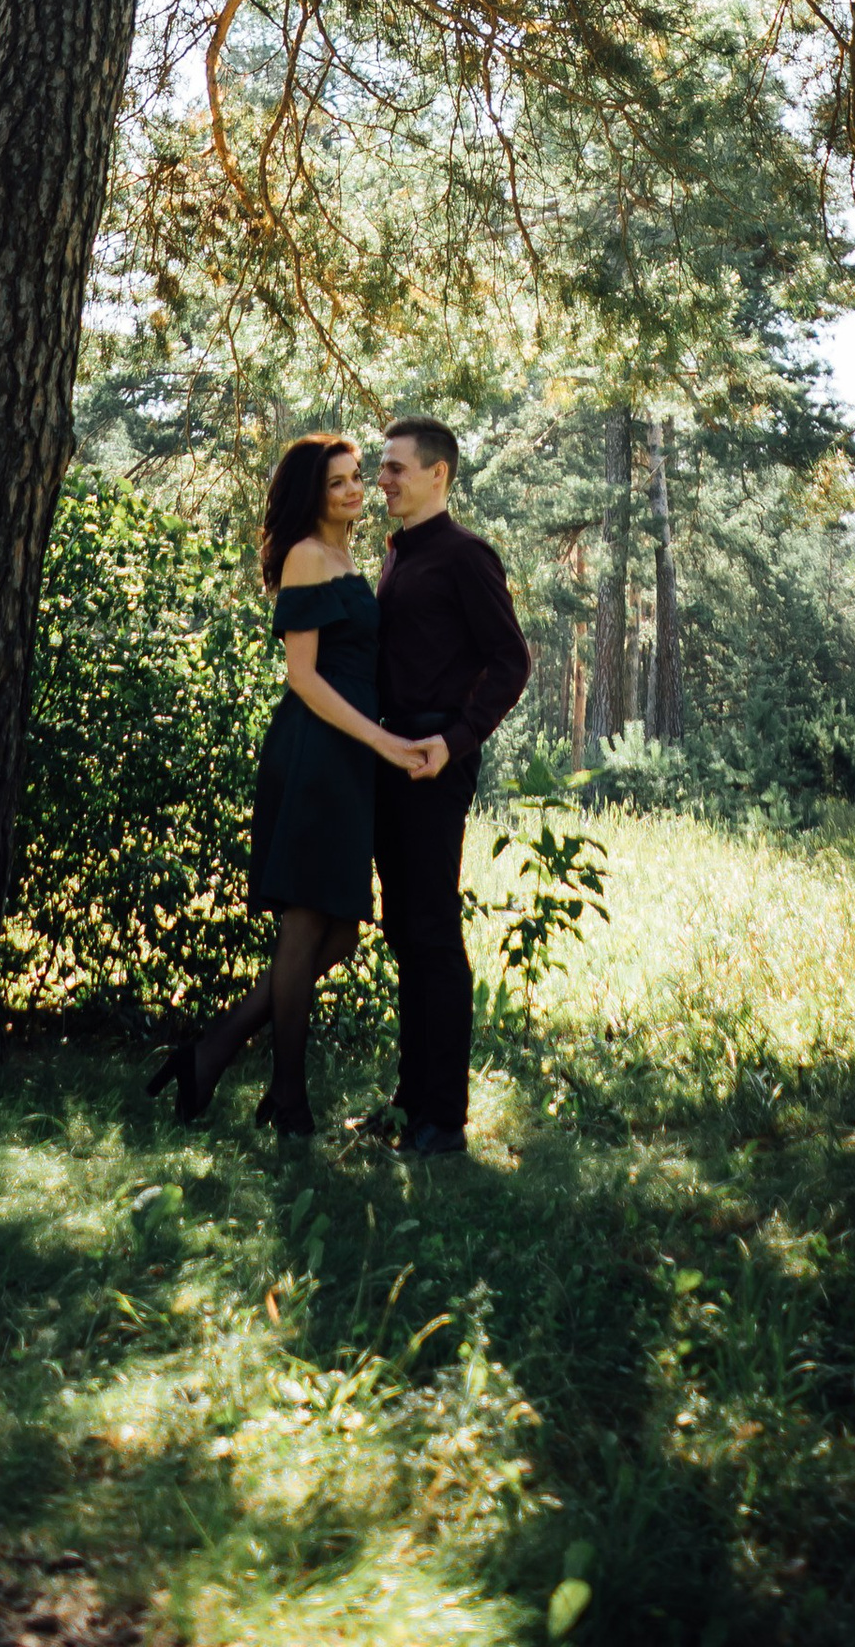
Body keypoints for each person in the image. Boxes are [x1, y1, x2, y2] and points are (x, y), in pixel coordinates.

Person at [147, 433, 446, 1136]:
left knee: (338, 933)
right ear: (311, 494)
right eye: (336, 482)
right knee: (309, 922)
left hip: (348, 757)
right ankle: (288, 1096)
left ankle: (212, 1050)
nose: (353, 490)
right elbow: (304, 678)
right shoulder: (308, 556)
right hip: (317, 751)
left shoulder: (349, 557)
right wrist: (383, 741)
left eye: (355, 477)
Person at [370, 417, 532, 1158]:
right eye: (382, 467)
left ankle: (445, 1120)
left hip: (437, 758)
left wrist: (455, 740)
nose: (383, 480)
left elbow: (511, 660)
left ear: (438, 474)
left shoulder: (466, 555)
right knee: (404, 927)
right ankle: (412, 1102)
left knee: (432, 928)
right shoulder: (399, 554)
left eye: (397, 468)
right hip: (393, 752)